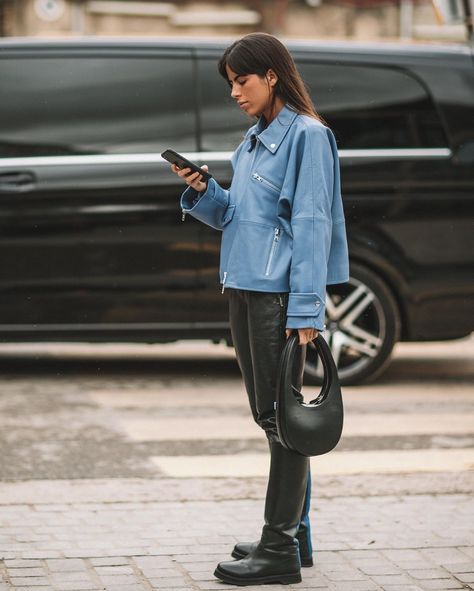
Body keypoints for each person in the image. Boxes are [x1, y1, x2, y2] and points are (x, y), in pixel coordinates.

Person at [170, 32, 349, 587]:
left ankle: (278, 550)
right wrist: (205, 192)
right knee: (272, 417)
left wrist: (305, 311)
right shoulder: (252, 142)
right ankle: (296, 535)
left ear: (272, 75)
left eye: (241, 80)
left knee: (281, 421)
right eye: (229, 84)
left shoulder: (308, 137)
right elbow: (240, 218)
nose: (235, 93)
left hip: (277, 297)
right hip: (245, 288)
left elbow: (312, 225)